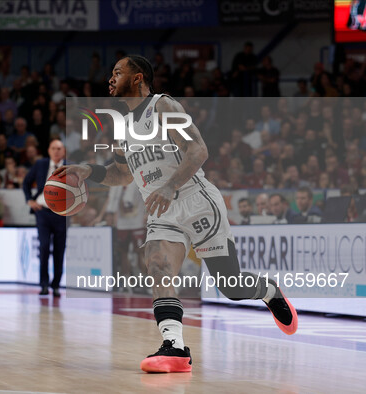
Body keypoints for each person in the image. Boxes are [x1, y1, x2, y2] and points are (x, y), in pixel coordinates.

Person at [55, 55, 297, 374]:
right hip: (162, 211)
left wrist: (169, 186)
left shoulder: (164, 106)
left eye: (117, 73)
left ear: (138, 78)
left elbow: (198, 150)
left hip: (196, 201)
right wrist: (89, 170)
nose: (110, 79)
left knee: (231, 286)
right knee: (157, 264)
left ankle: (268, 291)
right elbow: (123, 174)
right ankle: (175, 347)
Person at [22, 139, 67, 297]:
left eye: (59, 149)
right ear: (49, 150)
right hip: (42, 212)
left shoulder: (71, 167)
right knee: (44, 247)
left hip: (62, 214)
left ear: (64, 151)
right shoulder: (41, 164)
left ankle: (56, 285)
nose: (56, 151)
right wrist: (30, 200)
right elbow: (26, 182)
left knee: (59, 250)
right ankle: (44, 284)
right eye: (53, 148)